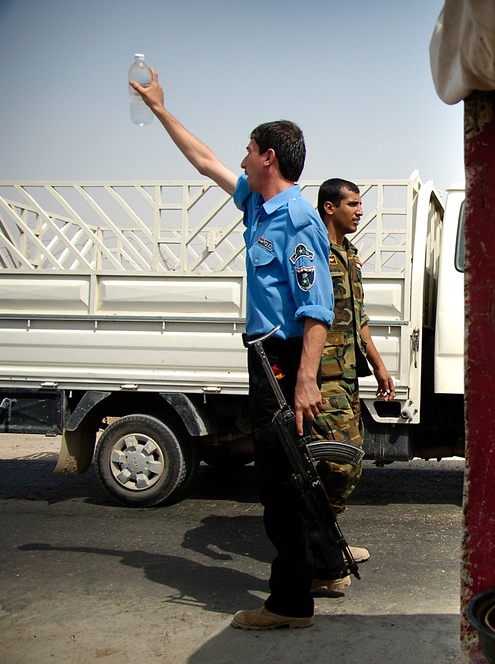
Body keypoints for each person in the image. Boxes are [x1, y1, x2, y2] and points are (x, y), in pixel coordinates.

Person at [130, 68, 348, 630]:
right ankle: (323, 568)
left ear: (269, 156)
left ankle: (289, 604)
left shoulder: (298, 219)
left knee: (279, 481)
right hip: (267, 355)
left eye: (249, 150)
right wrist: (160, 108)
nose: (242, 158)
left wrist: (303, 380)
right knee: (294, 471)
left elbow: (317, 308)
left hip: (282, 358)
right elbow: (205, 161)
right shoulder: (257, 202)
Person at [311, 179, 395, 519]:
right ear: (330, 207)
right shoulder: (313, 250)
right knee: (342, 460)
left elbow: (358, 315)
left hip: (346, 374)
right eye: (352, 204)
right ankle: (316, 540)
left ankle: (322, 539)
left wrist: (378, 365)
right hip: (321, 376)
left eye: (360, 205)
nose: (360, 211)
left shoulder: (349, 255)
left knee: (350, 459)